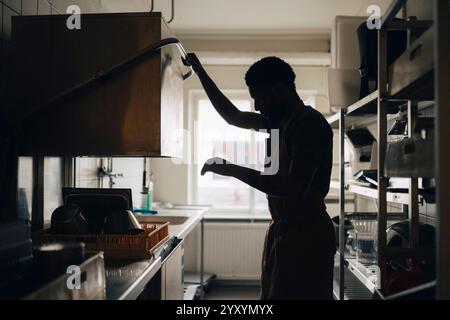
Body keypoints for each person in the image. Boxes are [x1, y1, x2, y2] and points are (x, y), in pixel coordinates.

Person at [184, 54, 336, 300]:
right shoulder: (278, 123)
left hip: (306, 237)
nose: (256, 106)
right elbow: (232, 116)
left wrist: (233, 169)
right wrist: (200, 72)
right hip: (284, 232)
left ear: (278, 90)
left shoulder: (308, 125)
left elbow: (292, 188)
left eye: (258, 97)